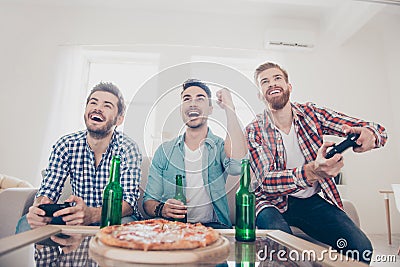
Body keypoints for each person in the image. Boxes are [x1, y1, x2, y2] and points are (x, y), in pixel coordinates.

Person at [246, 62, 387, 264]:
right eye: (264, 82)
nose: (272, 84)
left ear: (289, 86)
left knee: (361, 248)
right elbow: (266, 181)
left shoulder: (312, 114)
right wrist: (312, 172)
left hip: (309, 200)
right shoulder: (254, 130)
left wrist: (371, 134)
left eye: (277, 78)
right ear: (260, 94)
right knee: (280, 251)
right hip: (269, 202)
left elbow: (373, 128)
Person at [16, 82, 142, 232]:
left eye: (107, 105)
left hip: (115, 218)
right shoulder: (66, 145)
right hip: (75, 217)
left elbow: (128, 203)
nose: (97, 108)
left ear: (119, 119)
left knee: (127, 227)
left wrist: (92, 215)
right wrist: (39, 210)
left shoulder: (128, 149)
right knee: (26, 223)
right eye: (93, 102)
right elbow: (48, 192)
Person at [143, 79, 247, 228]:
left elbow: (237, 167)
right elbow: (148, 202)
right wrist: (162, 209)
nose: (193, 103)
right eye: (187, 99)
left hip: (214, 226)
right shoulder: (164, 151)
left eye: (200, 98)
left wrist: (230, 109)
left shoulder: (219, 147)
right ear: (181, 109)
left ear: (210, 108)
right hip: (174, 228)